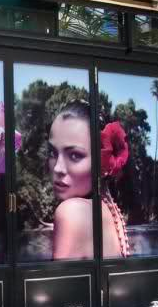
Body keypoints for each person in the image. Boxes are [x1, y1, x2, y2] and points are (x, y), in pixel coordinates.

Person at [48, 100, 130, 260]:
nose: (57, 168)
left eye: (75, 155)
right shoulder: (109, 212)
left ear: (102, 160)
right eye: (52, 153)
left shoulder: (71, 212)